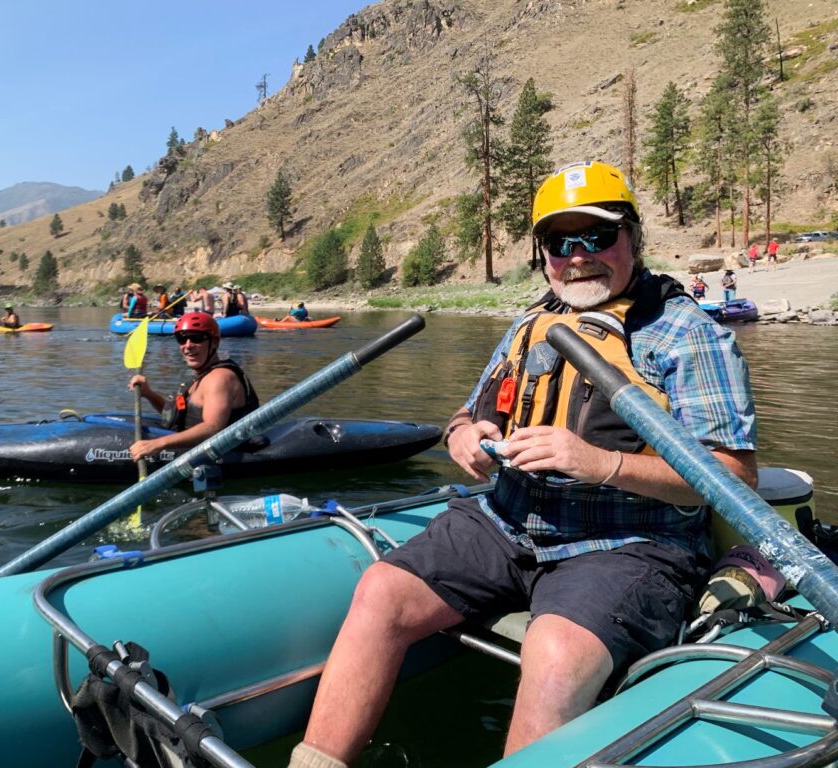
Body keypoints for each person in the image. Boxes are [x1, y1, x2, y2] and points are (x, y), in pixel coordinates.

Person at [290, 160, 757, 768]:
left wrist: (600, 463)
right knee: (381, 590)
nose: (580, 255)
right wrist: (463, 435)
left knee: (556, 651)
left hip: (629, 541)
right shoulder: (527, 324)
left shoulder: (690, 336)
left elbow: (735, 478)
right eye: (561, 242)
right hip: (506, 520)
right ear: (543, 254)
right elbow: (466, 413)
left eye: (599, 235)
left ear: (634, 239)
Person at [128, 312, 259, 461]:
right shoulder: (203, 374)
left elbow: (213, 427)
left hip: (227, 455)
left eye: (197, 338)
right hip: (192, 443)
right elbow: (177, 415)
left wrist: (158, 444)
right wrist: (149, 394)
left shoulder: (219, 378)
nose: (188, 346)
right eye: (182, 339)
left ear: (214, 343)